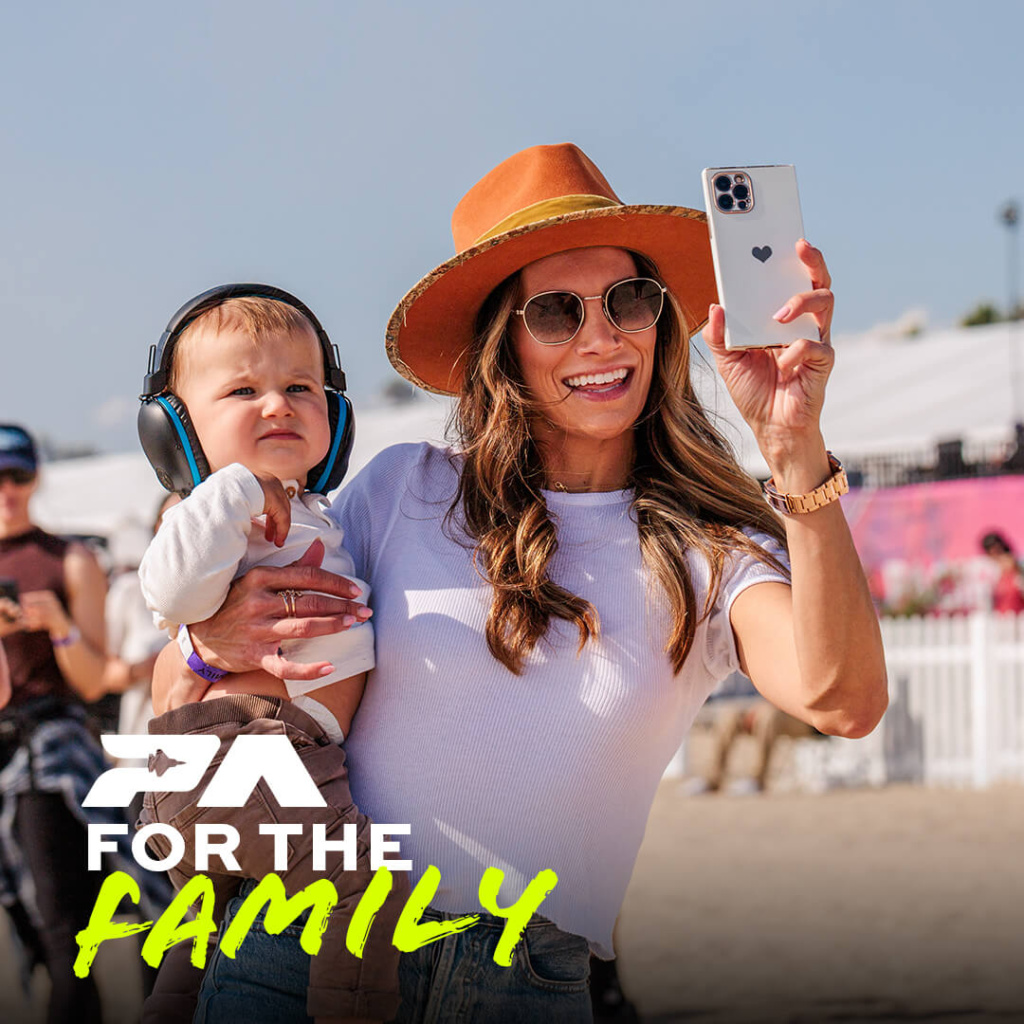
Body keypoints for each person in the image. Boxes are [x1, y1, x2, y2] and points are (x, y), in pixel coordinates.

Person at [152, 143, 888, 1023]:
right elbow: (196, 687)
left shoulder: (708, 553)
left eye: (630, 300)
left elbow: (844, 702)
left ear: (662, 321)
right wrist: (205, 640)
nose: (601, 334)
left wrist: (793, 446)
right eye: (555, 313)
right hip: (300, 956)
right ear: (500, 343)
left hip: (522, 983)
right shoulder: (398, 491)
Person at [136, 289, 405, 1024]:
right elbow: (169, 588)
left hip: (246, 762)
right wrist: (232, 490)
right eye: (242, 391)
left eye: (299, 388)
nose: (277, 406)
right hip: (250, 753)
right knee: (366, 887)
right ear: (178, 434)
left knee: (201, 938)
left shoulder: (302, 505)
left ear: (337, 418)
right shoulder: (214, 505)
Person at [0, 422, 154, 1024]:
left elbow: (90, 682)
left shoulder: (70, 558)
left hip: (49, 754)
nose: (7, 489)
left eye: (18, 475)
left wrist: (57, 623)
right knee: (30, 931)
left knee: (67, 928)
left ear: (36, 477)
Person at [980, 531, 1024, 613]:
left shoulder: (1012, 564)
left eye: (996, 548)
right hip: (1000, 613)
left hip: (1015, 611)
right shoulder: (989, 568)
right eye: (991, 549)